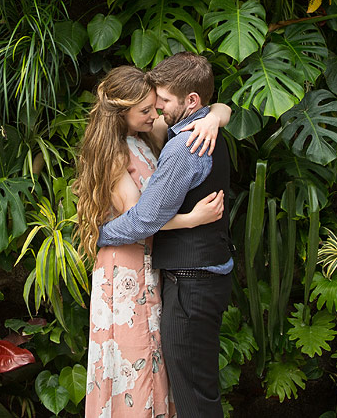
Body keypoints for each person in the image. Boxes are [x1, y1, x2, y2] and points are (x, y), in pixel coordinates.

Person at [74, 65, 231, 418]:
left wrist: (212, 119)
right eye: (145, 110)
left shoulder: (147, 134)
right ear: (121, 113)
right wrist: (192, 219)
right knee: (134, 363)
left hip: (151, 261)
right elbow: (139, 221)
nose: (154, 114)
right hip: (126, 263)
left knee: (155, 361)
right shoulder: (115, 151)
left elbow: (214, 107)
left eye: (154, 106)